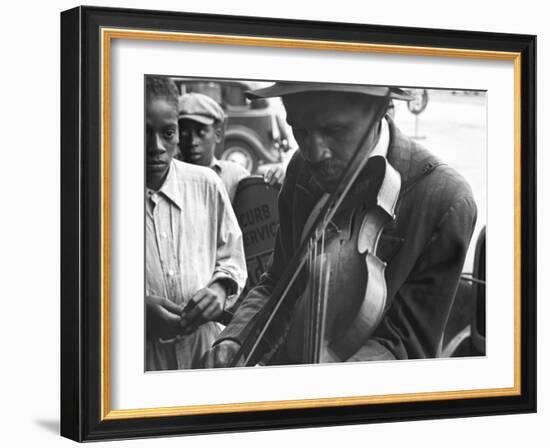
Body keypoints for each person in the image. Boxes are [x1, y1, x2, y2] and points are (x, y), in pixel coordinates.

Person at [202, 82, 477, 367]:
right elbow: (279, 281)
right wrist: (235, 340)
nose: (314, 152)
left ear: (381, 110)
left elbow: (407, 347)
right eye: (300, 130)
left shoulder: (444, 199)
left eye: (334, 131)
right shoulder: (300, 168)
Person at [144, 76, 247, 370]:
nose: (157, 147)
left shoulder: (206, 184)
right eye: (143, 132)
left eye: (167, 133)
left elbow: (232, 259)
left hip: (204, 354)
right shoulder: (101, 191)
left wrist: (219, 290)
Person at [177, 92, 284, 203]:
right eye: (183, 134)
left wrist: (277, 181)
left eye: (201, 132)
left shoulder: (235, 177)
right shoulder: (169, 178)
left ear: (217, 135)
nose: (192, 141)